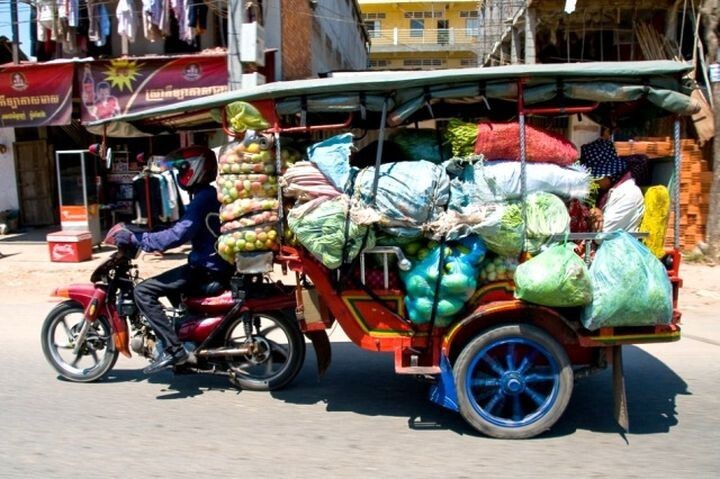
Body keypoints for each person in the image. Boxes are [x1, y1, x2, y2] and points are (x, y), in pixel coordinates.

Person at [107, 146, 232, 374]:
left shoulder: (202, 198)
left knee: (143, 291)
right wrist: (145, 232)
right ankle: (189, 338)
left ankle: (175, 351)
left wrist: (139, 239)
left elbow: (178, 235)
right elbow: (180, 227)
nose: (177, 174)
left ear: (194, 170)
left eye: (181, 169)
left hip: (207, 270)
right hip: (213, 266)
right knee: (173, 287)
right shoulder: (206, 195)